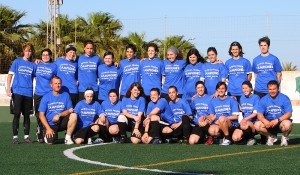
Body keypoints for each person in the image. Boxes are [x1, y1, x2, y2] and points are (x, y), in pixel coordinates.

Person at [7, 43, 37, 144]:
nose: (28, 53)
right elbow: (10, 75)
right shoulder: (17, 62)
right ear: (23, 51)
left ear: (31, 52)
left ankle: (26, 136)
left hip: (28, 93)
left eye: (30, 51)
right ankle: (15, 137)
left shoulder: (33, 65)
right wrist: (8, 89)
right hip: (17, 92)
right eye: (26, 50)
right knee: (16, 115)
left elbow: (37, 77)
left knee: (27, 115)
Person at [38, 76, 77, 144]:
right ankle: (44, 132)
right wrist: (48, 128)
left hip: (61, 122)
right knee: (50, 141)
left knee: (74, 115)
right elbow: (41, 115)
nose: (58, 85)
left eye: (59, 83)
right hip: (50, 124)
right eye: (55, 83)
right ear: (51, 85)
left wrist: (59, 115)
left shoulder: (66, 95)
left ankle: (68, 137)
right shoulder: (46, 97)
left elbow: (70, 110)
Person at [254, 80, 293, 146]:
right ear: (268, 90)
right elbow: (259, 114)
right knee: (257, 125)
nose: (272, 91)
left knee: (287, 124)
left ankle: (284, 137)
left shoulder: (284, 98)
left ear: (278, 89)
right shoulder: (263, 99)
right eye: (270, 89)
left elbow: (289, 113)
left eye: (274, 89)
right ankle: (271, 137)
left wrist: (277, 120)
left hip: (281, 121)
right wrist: (264, 121)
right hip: (268, 123)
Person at [34, 48, 57, 143]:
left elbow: (57, 78)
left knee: (49, 113)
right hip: (38, 94)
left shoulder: (54, 66)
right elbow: (34, 76)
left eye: (47, 55)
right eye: (43, 55)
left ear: (50, 56)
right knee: (39, 114)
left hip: (49, 94)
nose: (45, 56)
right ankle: (39, 132)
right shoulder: (37, 64)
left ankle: (49, 130)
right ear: (41, 56)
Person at [231, 81, 260, 145]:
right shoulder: (242, 97)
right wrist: (235, 101)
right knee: (235, 138)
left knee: (245, 125)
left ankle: (251, 138)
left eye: (246, 88)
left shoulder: (256, 97)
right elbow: (242, 110)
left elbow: (255, 113)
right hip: (244, 122)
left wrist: (245, 119)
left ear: (250, 88)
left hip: (253, 122)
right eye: (243, 88)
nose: (245, 90)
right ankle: (246, 139)